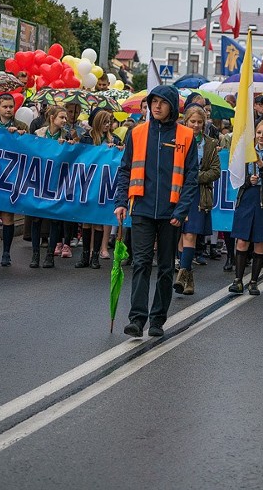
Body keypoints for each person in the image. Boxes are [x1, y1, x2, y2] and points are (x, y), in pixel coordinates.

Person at [114, 85, 199, 338]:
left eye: (163, 102)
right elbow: (125, 170)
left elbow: (191, 177)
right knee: (140, 264)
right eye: (154, 102)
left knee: (164, 267)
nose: (157, 106)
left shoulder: (186, 135)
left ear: (172, 106)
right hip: (141, 208)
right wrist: (120, 201)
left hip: (171, 214)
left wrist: (182, 209)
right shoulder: (137, 133)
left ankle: (158, 319)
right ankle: (136, 320)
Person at [228, 119, 263, 295]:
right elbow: (237, 177)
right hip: (247, 198)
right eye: (259, 133)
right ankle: (237, 280)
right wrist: (248, 181)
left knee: (260, 242)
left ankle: (253, 281)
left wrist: (261, 165)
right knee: (242, 240)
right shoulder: (246, 152)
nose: (261, 136)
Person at [175, 105, 221, 295]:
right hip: (178, 192)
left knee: (190, 234)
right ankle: (188, 278)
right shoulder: (177, 139)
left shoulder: (210, 144)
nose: (195, 125)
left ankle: (181, 276)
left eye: (199, 122)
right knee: (180, 235)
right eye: (192, 121)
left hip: (198, 195)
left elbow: (216, 170)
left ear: (204, 124)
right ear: (186, 122)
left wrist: (196, 176)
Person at [0, 94, 28, 267]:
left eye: (11, 106)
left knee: (8, 214)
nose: (9, 110)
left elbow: (30, 149)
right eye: (5, 107)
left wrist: (21, 136)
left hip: (12, 176)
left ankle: (6, 253)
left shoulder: (22, 126)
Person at [75, 109, 124, 269]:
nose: (108, 125)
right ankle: (85, 256)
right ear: (97, 122)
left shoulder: (114, 139)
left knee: (98, 222)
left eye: (109, 122)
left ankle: (95, 256)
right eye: (104, 122)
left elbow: (120, 159)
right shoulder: (87, 138)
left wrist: (118, 149)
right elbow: (79, 157)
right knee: (86, 222)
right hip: (88, 183)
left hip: (104, 185)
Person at [30, 105, 75, 267]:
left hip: (57, 183)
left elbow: (72, 158)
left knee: (55, 219)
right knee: (36, 218)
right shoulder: (38, 134)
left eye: (65, 117)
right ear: (52, 118)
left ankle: (49, 255)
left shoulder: (66, 135)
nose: (65, 120)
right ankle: (35, 255)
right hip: (39, 181)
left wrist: (69, 146)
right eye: (61, 117)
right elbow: (30, 152)